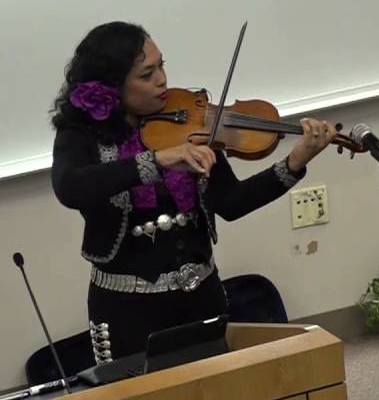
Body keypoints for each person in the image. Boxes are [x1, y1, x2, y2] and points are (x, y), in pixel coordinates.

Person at [50, 21, 338, 363]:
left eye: (162, 66)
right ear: (113, 85)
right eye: (146, 74)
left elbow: (232, 202)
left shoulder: (189, 125)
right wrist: (155, 162)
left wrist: (293, 163)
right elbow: (70, 187)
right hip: (126, 309)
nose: (162, 80)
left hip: (201, 295)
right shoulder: (81, 135)